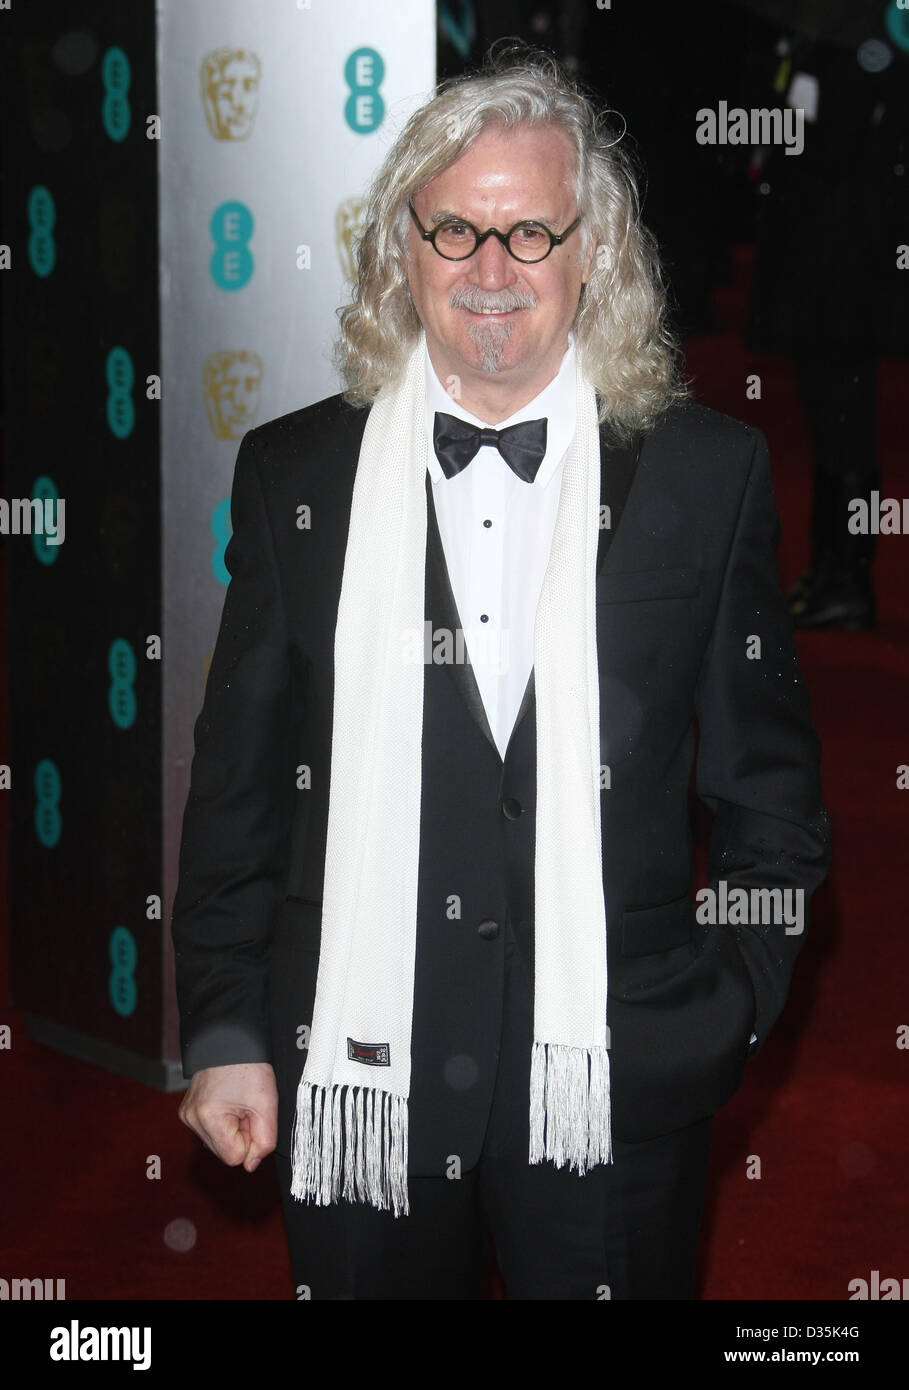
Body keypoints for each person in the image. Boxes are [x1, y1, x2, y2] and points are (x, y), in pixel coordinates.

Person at [171, 49, 831, 1301]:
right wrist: (225, 1032)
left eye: (531, 231)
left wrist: (721, 1015)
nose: (489, 270)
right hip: (360, 1074)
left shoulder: (708, 475)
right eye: (456, 229)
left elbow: (774, 806)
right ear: (399, 252)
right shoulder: (294, 478)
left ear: (596, 255)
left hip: (612, 1080)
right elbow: (238, 789)